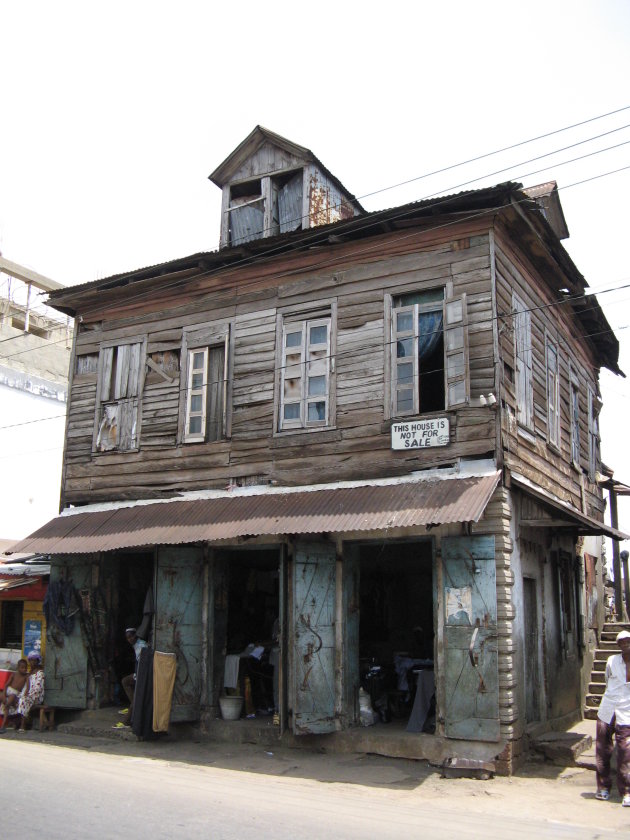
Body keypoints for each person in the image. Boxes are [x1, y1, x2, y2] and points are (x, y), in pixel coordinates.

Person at [596, 629, 630, 805]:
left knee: (625, 751)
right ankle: (603, 787)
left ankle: (626, 791)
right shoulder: (612, 661)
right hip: (608, 708)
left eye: (628, 641)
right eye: (623, 642)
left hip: (627, 710)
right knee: (603, 748)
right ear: (618, 645)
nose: (626, 645)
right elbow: (607, 680)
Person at [115, 628, 147, 728]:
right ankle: (132, 703)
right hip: (138, 674)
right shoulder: (137, 645)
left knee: (135, 699)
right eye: (127, 638)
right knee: (125, 681)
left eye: (131, 637)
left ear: (135, 636)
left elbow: (142, 663)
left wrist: (137, 675)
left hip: (141, 676)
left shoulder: (140, 647)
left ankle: (126, 722)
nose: (129, 639)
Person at [16, 651, 45, 732]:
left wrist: (28, 695)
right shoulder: (29, 673)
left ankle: (22, 725)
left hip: (36, 697)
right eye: (31, 660)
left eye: (34, 660)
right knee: (15, 698)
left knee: (24, 700)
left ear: (38, 661)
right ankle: (16, 723)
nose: (32, 662)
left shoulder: (40, 673)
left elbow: (38, 689)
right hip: (28, 695)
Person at [0, 658, 29, 731]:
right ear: (18, 668)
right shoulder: (14, 674)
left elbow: (27, 687)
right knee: (1, 696)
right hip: (8, 691)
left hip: (15, 694)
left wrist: (24, 696)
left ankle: (3, 725)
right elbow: (6, 685)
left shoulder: (26, 677)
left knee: (8, 703)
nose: (24, 669)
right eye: (22, 667)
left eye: (26, 668)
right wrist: (3, 694)